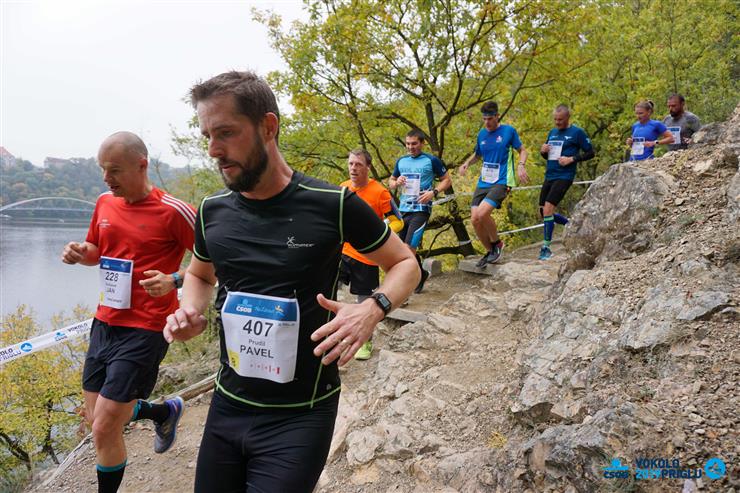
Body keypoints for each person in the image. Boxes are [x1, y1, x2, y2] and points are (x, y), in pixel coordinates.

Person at [162, 71, 418, 493]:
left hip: (301, 414)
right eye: (207, 136)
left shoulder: (333, 204)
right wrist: (189, 309)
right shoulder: (212, 210)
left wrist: (373, 308)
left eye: (225, 133)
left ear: (268, 127)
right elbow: (200, 273)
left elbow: (406, 263)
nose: (213, 150)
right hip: (228, 404)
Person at [61, 132, 194, 493]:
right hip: (105, 322)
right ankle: (163, 412)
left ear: (141, 165)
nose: (106, 178)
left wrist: (174, 279)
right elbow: (96, 250)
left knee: (105, 426)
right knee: (97, 419)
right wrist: (80, 253)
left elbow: (214, 260)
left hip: (147, 328)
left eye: (115, 170)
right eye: (103, 170)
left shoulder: (174, 211)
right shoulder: (105, 202)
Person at [339, 148, 404, 360]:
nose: (353, 168)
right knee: (326, 288)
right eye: (351, 164)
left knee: (364, 301)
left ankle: (364, 341)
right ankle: (331, 333)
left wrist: (377, 235)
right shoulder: (343, 188)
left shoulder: (380, 192)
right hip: (342, 252)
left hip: (367, 256)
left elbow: (398, 221)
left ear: (368, 167)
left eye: (358, 164)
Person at [459, 101, 529, 267]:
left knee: (483, 213)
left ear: (497, 116)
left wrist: (521, 165)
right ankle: (490, 252)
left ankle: (497, 244)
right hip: (484, 181)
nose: (487, 122)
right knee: (475, 219)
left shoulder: (508, 131)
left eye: (490, 119)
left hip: (502, 180)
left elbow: (522, 150)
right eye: (484, 119)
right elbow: (478, 155)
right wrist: (467, 163)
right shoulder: (482, 134)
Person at [388, 129, 451, 293]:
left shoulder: (431, 160)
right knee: (402, 248)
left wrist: (433, 192)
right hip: (403, 209)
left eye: (414, 143)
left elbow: (447, 180)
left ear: (422, 143)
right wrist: (396, 182)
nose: (411, 147)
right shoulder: (401, 161)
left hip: (422, 209)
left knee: (409, 248)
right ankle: (421, 274)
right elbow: (391, 182)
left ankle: (403, 287)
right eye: (408, 144)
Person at [537, 105, 595, 260]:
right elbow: (547, 156)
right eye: (555, 119)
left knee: (548, 209)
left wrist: (572, 159)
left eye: (560, 120)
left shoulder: (577, 133)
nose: (557, 122)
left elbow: (591, 153)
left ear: (568, 117)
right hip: (550, 175)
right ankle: (570, 225)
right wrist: (543, 151)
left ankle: (546, 248)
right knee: (543, 212)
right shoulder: (552, 132)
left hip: (564, 176)